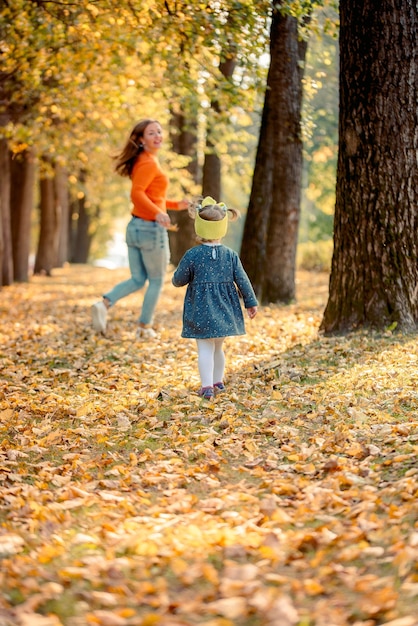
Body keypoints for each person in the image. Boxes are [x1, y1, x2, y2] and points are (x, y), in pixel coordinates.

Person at [91, 119, 189, 338]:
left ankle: (104, 304)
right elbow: (137, 193)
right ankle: (144, 328)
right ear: (141, 140)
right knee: (155, 280)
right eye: (151, 133)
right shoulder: (148, 163)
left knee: (138, 279)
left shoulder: (145, 161)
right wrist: (157, 214)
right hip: (149, 230)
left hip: (136, 227)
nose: (158, 136)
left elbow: (154, 197)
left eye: (159, 132)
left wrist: (175, 205)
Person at [172, 196, 258, 399]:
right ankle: (218, 382)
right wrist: (250, 302)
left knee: (205, 349)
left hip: (200, 310)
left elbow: (179, 280)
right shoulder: (230, 255)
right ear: (222, 228)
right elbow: (243, 280)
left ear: (200, 227)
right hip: (224, 310)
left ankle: (207, 387)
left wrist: (179, 277)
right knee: (218, 348)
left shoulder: (192, 255)